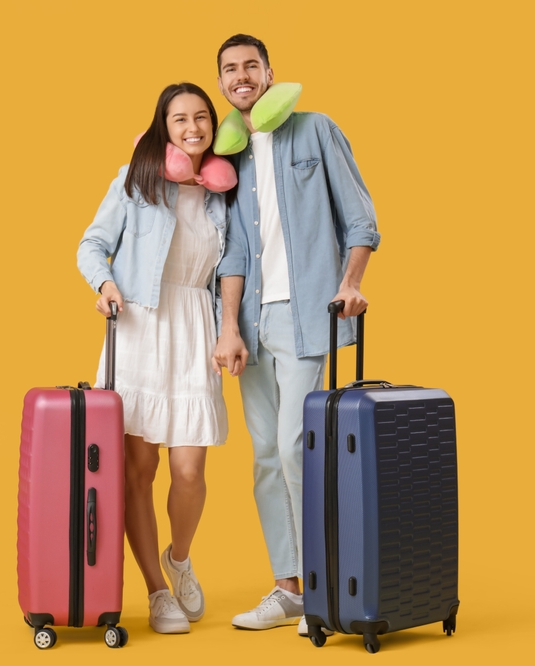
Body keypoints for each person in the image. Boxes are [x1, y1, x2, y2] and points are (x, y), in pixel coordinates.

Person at [210, 34, 381, 635]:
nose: (241, 76)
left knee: (294, 449)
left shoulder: (315, 130)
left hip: (312, 314)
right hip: (251, 325)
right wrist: (228, 326)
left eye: (250, 66)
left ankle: (324, 587)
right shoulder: (226, 161)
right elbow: (230, 254)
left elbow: (361, 219)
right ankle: (287, 588)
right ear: (223, 83)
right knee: (262, 457)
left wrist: (351, 283)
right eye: (229, 70)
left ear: (268, 72)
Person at [77, 82, 242, 635]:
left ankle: (179, 559)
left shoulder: (223, 193)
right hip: (140, 327)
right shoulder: (136, 181)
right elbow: (90, 244)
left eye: (202, 118)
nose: (192, 127)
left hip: (195, 326)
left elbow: (233, 270)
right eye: (180, 119)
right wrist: (103, 284)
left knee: (189, 471)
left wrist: (231, 329)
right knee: (138, 470)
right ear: (163, 126)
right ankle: (155, 590)